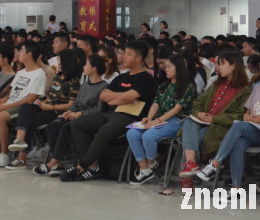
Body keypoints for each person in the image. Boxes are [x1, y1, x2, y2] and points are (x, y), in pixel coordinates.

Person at [195, 53, 260, 196]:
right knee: (238, 143)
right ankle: (236, 189)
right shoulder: (258, 88)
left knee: (238, 126)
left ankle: (214, 164)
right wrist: (248, 117)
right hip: (254, 130)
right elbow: (246, 112)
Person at [60, 40, 156, 182]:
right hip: (111, 113)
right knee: (77, 124)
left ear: (138, 58)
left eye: (128, 54)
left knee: (105, 130)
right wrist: (123, 97)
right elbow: (104, 96)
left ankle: (81, 167)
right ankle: (92, 167)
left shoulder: (146, 79)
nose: (124, 57)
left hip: (130, 117)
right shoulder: (121, 77)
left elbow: (126, 97)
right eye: (125, 54)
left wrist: (118, 99)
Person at [179, 51, 251, 182]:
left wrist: (213, 119)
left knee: (190, 139)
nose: (218, 67)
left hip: (218, 126)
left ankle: (188, 178)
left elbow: (238, 116)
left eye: (222, 64)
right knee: (188, 122)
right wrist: (199, 112)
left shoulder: (244, 91)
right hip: (202, 121)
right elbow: (198, 102)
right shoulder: (216, 85)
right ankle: (191, 164)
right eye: (218, 64)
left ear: (234, 66)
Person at [5, 48, 81, 169]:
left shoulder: (74, 82)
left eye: (60, 61)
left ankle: (22, 157)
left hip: (57, 112)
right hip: (47, 106)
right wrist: (41, 102)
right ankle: (20, 139)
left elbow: (70, 105)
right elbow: (50, 97)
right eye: (58, 61)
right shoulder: (57, 78)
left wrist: (49, 106)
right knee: (26, 106)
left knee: (28, 120)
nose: (58, 64)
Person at [34, 54, 108, 176]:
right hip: (75, 115)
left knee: (65, 128)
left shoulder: (103, 86)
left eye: (86, 64)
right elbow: (76, 103)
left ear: (94, 68)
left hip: (88, 118)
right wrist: (69, 111)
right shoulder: (85, 85)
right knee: (52, 126)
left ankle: (52, 163)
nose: (83, 67)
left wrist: (80, 113)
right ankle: (57, 164)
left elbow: (99, 109)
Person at [127, 54, 196, 184]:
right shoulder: (163, 86)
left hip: (177, 121)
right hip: (159, 119)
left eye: (169, 67)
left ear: (178, 68)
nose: (166, 69)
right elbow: (155, 104)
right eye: (166, 67)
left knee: (149, 135)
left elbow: (176, 109)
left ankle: (151, 163)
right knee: (132, 133)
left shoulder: (188, 87)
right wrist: (149, 118)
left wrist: (156, 122)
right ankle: (145, 169)